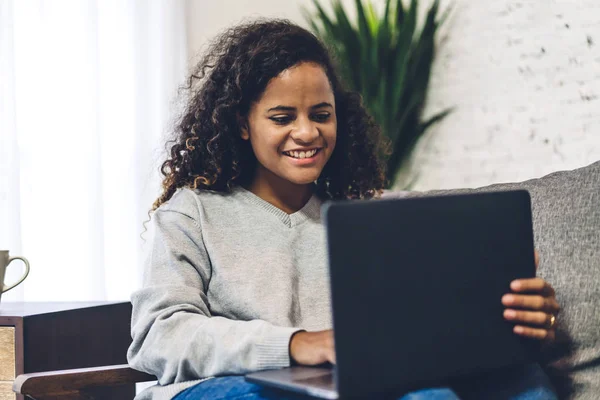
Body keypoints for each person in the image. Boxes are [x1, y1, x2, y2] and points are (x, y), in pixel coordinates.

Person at [128, 19, 561, 400]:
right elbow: (159, 335)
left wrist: (509, 317)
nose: (306, 132)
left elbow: (418, 330)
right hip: (229, 384)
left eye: (321, 114)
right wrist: (298, 343)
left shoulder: (368, 216)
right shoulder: (191, 215)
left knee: (525, 381)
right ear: (242, 123)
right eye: (282, 118)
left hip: (352, 381)